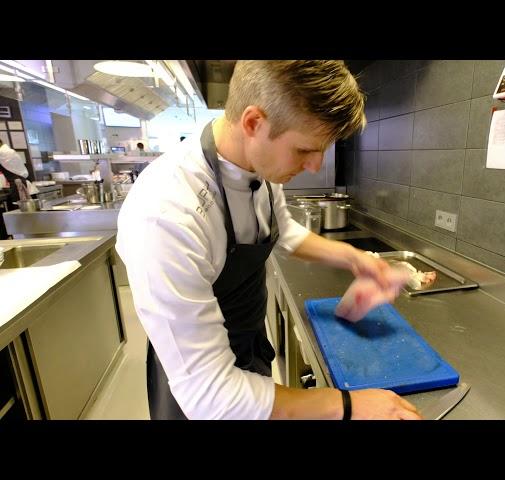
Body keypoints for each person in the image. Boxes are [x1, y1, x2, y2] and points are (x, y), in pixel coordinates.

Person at [116, 60, 423, 420]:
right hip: (199, 387)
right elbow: (209, 395)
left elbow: (282, 230)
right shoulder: (166, 215)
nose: (314, 165)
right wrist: (349, 404)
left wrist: (356, 259)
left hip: (249, 351)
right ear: (253, 123)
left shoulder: (260, 165)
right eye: (305, 150)